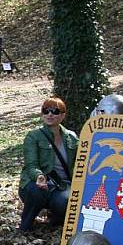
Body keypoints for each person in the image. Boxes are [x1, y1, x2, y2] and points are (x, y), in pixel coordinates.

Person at [18, 97, 78, 233]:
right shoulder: (33, 136)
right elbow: (31, 164)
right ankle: (25, 225)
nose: (49, 114)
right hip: (38, 184)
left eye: (55, 111)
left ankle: (55, 218)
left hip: (61, 185)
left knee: (66, 203)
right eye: (46, 111)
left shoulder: (72, 137)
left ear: (63, 115)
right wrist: (39, 176)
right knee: (36, 191)